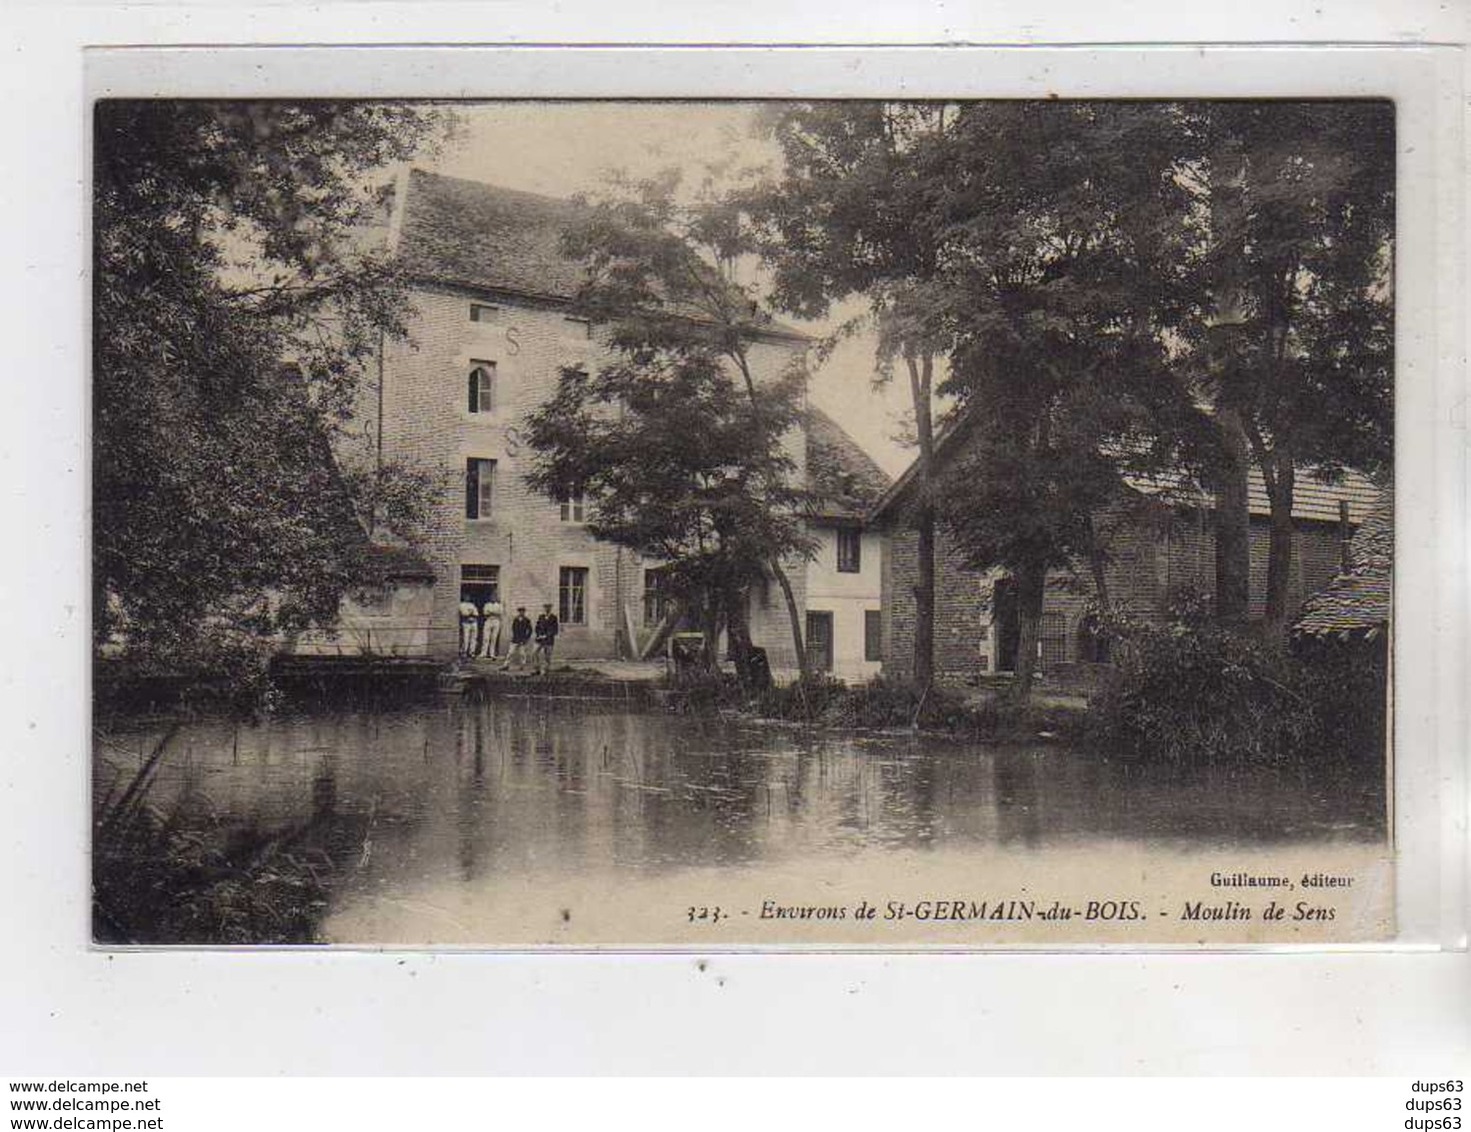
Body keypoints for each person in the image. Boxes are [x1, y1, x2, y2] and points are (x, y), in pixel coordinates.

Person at [501, 607, 533, 672]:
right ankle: (506, 665)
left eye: (523, 611)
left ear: (524, 612)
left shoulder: (527, 620)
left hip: (522, 639)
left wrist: (526, 638)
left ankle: (522, 666)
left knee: (522, 654)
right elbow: (514, 628)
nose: (521, 612)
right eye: (520, 611)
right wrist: (514, 637)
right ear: (519, 612)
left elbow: (530, 630)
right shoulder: (516, 619)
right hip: (515, 639)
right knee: (510, 653)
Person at [532, 603, 559, 676]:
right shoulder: (541, 617)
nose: (547, 609)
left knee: (547, 656)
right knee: (534, 653)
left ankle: (545, 670)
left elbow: (555, 630)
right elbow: (537, 627)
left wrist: (546, 635)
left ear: (551, 609)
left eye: (548, 608)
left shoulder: (554, 618)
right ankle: (536, 669)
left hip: (548, 640)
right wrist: (538, 635)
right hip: (539, 639)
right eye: (546, 607)